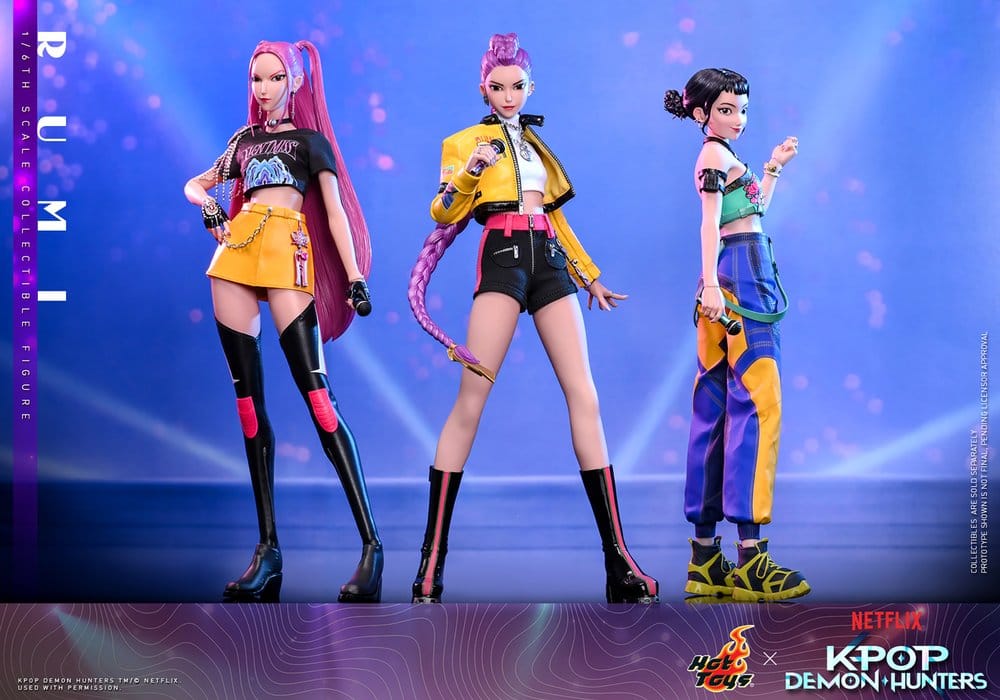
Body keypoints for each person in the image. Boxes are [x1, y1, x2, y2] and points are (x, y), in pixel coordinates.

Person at [407, 33, 658, 604]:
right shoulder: (463, 141)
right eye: (497, 87)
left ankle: (619, 561)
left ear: (530, 86)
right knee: (471, 400)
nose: (508, 96)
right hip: (501, 257)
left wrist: (589, 276)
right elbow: (442, 210)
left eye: (517, 86)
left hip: (549, 260)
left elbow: (556, 219)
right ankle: (431, 562)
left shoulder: (538, 148)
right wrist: (470, 171)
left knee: (585, 395)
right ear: (483, 90)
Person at [183, 40, 381, 602]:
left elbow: (334, 212)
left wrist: (353, 276)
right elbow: (197, 183)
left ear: (294, 81)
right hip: (237, 251)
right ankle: (267, 550)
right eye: (257, 79)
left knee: (319, 399)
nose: (264, 88)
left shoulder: (310, 142)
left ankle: (371, 547)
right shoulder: (243, 141)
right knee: (248, 406)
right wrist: (209, 204)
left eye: (274, 78)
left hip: (287, 251)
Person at [663, 68, 810, 602]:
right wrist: (710, 285)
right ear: (702, 113)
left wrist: (773, 167)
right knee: (757, 403)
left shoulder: (725, 157)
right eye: (726, 109)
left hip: (735, 269)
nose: (738, 118)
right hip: (738, 276)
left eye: (742, 109)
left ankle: (705, 560)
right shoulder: (712, 156)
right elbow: (709, 223)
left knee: (716, 405)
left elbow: (754, 210)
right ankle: (751, 559)